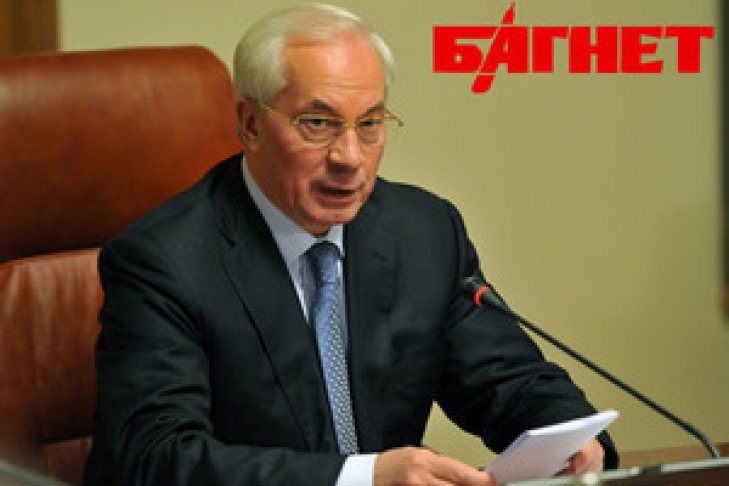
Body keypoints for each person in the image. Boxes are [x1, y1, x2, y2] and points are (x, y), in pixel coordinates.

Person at [83, 4, 618, 485]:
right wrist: (365, 478)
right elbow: (159, 459)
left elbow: (507, 379)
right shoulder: (164, 262)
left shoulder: (424, 232)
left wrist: (571, 438)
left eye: (370, 124)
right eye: (318, 123)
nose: (350, 157)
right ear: (250, 124)